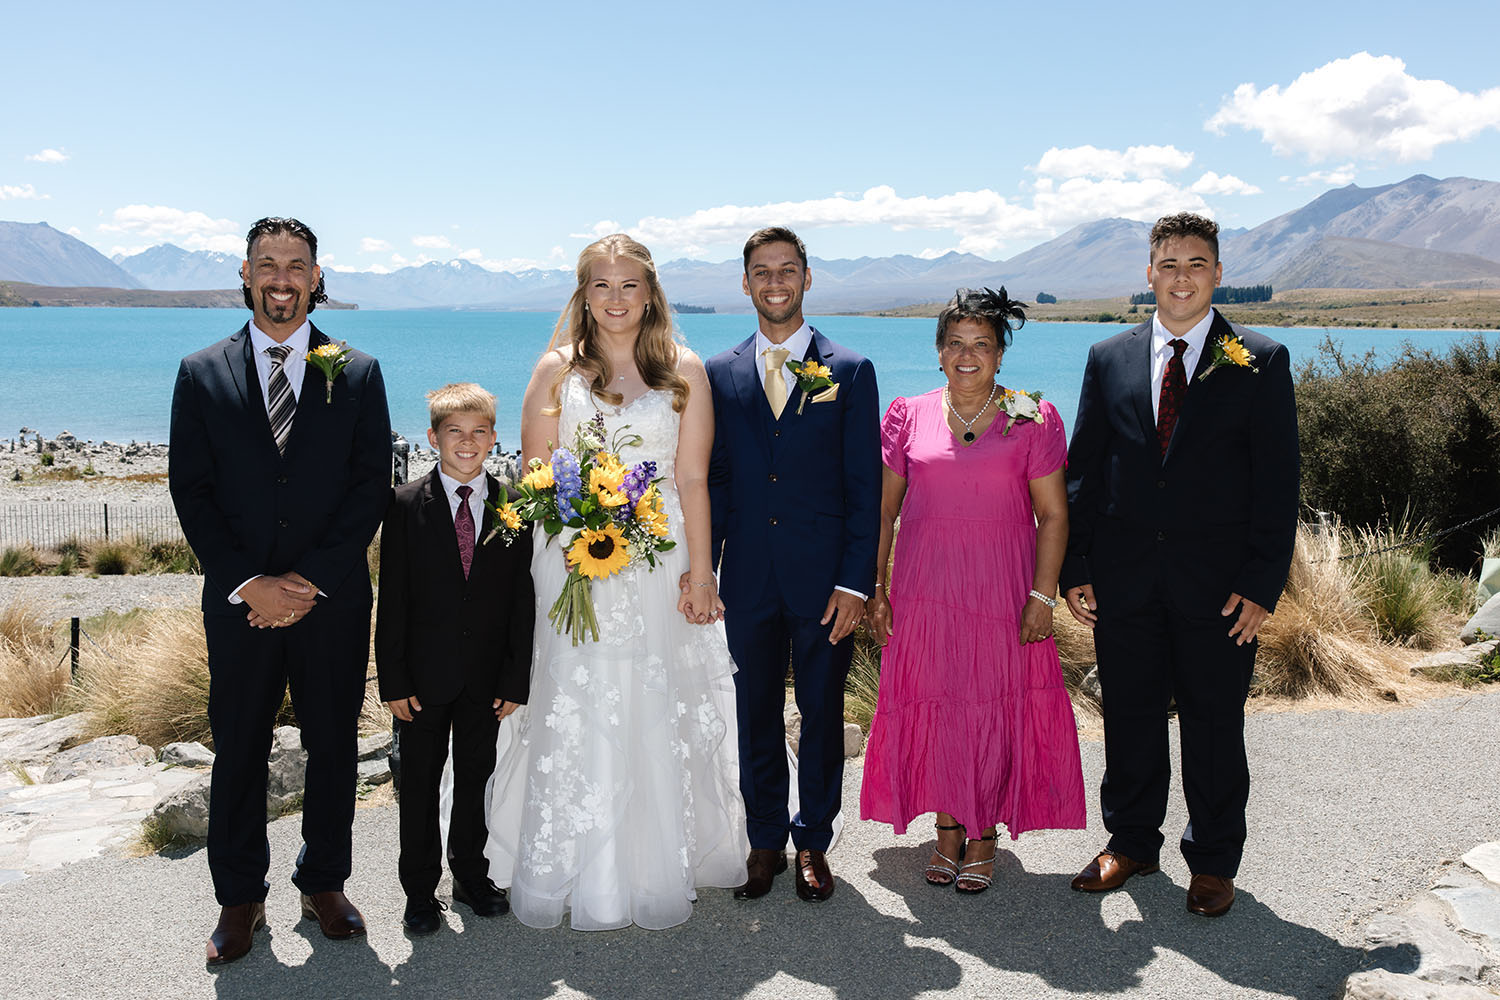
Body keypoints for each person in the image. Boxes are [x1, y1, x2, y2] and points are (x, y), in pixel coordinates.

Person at [484, 233, 747, 931]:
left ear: (651, 292)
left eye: (629, 285)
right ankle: (574, 863)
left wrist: (700, 573)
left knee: (652, 698)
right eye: (601, 285)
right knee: (578, 697)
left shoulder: (683, 369)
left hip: (660, 561)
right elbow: (536, 479)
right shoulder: (554, 373)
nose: (616, 299)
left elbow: (691, 478)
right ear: (583, 293)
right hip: (573, 561)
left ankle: (659, 858)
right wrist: (575, 526)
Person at [1062, 212, 1299, 918]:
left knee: (1214, 724)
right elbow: (1084, 469)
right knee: (1129, 717)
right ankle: (1131, 842)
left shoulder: (1260, 358)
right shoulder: (1108, 357)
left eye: (1197, 263)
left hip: (1220, 591)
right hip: (1124, 580)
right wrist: (1077, 565)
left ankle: (1214, 860)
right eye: (1169, 263)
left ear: (1218, 274)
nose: (1182, 276)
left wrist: (1261, 585)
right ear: (1149, 274)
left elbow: (1277, 485)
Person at [168, 217, 391, 964]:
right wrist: (249, 584)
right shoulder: (201, 372)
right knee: (239, 747)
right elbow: (191, 491)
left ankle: (324, 882)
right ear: (245, 272)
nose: (282, 278)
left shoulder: (356, 370)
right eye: (268, 264)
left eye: (296, 265)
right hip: (240, 604)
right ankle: (240, 899)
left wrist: (308, 581)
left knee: (333, 743)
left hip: (329, 600)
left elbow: (369, 488)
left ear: (316, 277)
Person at [859, 288, 1085, 894]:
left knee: (990, 701)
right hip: (925, 592)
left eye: (981, 344)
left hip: (1002, 593)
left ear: (1000, 355)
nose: (967, 355)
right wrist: (876, 590)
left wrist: (1042, 596)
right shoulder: (907, 414)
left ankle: (984, 835)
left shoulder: (1032, 415)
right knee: (938, 699)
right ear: (938, 353)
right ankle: (948, 827)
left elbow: (1054, 516)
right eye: (955, 344)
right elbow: (883, 513)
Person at [705, 227, 881, 902]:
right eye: (761, 272)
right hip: (746, 576)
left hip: (823, 582)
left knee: (820, 712)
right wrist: (702, 569)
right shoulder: (720, 374)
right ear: (745, 284)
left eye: (786, 270)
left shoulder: (851, 370)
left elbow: (863, 486)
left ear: (808, 278)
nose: (774, 282)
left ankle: (813, 842)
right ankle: (764, 842)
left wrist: (853, 582)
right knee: (753, 712)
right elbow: (716, 479)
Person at [375, 383, 534, 935]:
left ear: (493, 438)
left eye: (478, 432)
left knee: (476, 778)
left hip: (486, 679)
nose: (467, 443)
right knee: (418, 785)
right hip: (421, 679)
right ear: (434, 438)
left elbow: (521, 600)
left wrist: (516, 678)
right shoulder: (401, 507)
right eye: (454, 433)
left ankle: (469, 875)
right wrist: (392, 680)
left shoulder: (515, 506)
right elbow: (391, 599)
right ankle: (419, 891)